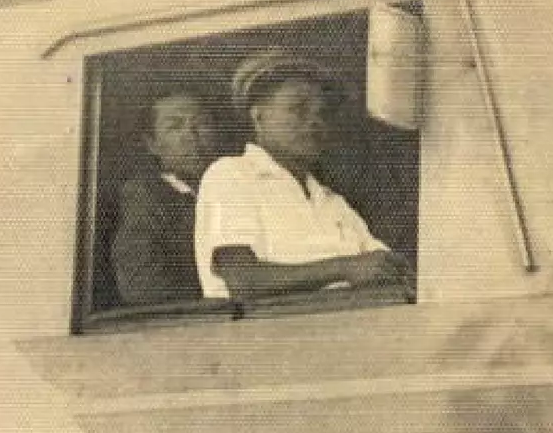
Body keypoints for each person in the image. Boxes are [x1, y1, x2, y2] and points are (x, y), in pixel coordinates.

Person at [192, 49, 411, 301]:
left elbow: (382, 267)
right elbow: (243, 280)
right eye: (298, 108)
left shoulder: (330, 200)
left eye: (321, 113)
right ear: (258, 115)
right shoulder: (230, 175)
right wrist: (345, 267)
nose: (314, 122)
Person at [109, 89, 218, 306]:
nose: (191, 135)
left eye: (201, 123)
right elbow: (143, 286)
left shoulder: (232, 188)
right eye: (174, 127)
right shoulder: (144, 197)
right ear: (153, 144)